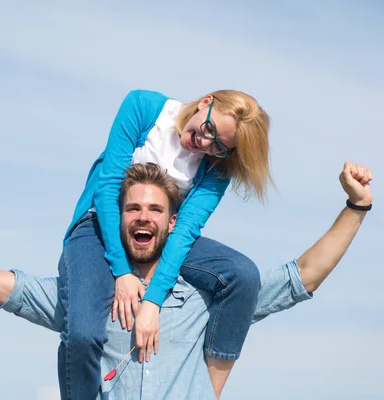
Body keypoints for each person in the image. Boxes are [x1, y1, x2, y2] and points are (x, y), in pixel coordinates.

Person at [0, 161, 373, 399]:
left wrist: (357, 207)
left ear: (173, 223)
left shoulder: (207, 298)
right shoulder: (87, 299)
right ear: (117, 219)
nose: (143, 217)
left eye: (155, 209)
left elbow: (303, 276)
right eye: (132, 208)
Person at [62, 89, 272, 398]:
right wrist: (121, 272)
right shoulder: (144, 108)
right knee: (83, 334)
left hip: (161, 240)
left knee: (242, 275)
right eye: (209, 129)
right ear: (206, 102)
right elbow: (107, 188)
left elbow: (184, 230)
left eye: (220, 146)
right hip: (99, 225)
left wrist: (152, 301)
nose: (205, 143)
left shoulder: (216, 166)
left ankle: (205, 392)